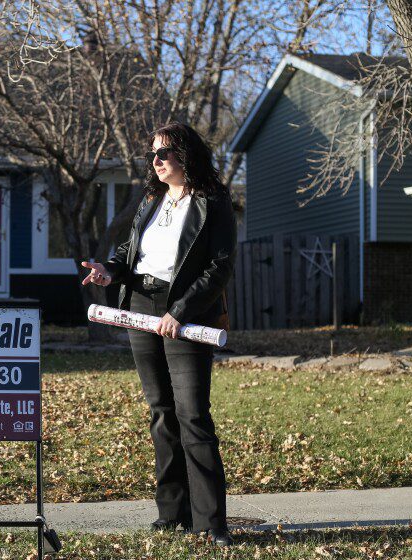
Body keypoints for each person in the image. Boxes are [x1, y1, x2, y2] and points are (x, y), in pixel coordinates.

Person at [81, 122, 237, 547]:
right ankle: (173, 513)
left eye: (165, 152)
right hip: (140, 307)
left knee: (193, 416)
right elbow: (129, 252)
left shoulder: (213, 202)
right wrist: (108, 271)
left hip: (185, 313)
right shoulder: (151, 198)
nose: (157, 160)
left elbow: (219, 267)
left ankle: (211, 522)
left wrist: (180, 311)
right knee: (161, 413)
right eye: (153, 153)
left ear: (187, 155)